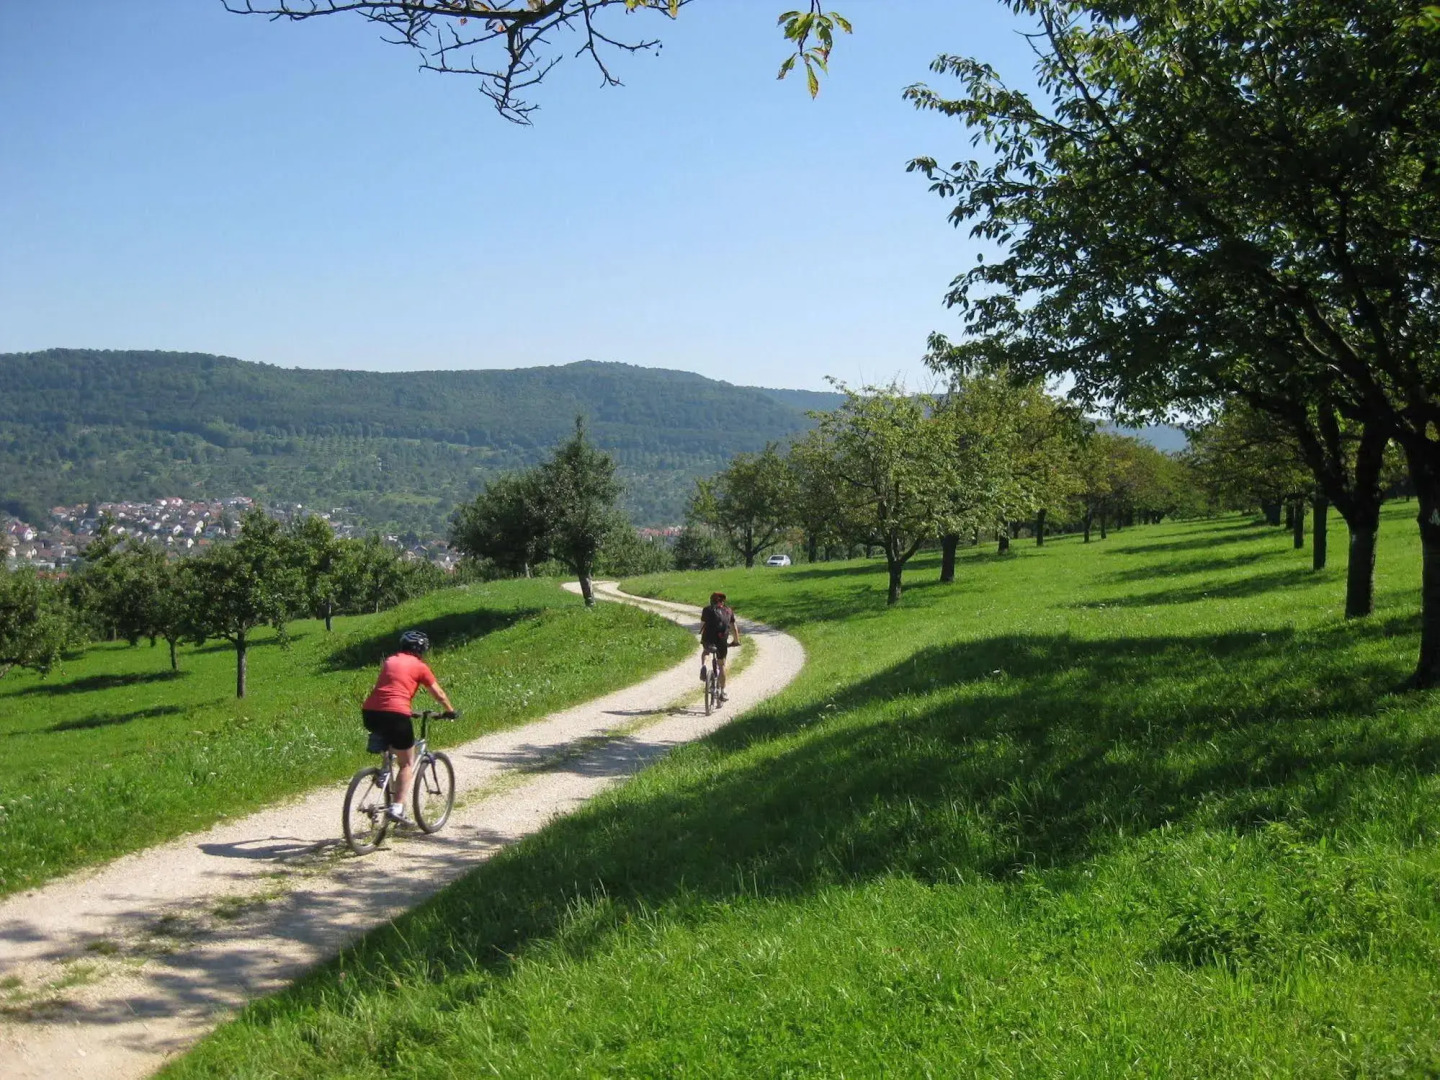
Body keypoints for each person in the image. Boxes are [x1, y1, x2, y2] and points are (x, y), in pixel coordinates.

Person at [361, 629, 456, 823]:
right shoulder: (420, 667)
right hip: (397, 713)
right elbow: (438, 693)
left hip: (370, 712)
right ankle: (397, 807)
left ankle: (384, 771)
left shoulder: (390, 660)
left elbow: (390, 689)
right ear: (422, 649)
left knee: (389, 741)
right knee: (406, 763)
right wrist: (449, 710)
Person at [698, 591, 741, 702]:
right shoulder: (728, 611)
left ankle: (703, 666)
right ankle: (723, 692)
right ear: (723, 601)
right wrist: (736, 641)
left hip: (708, 638)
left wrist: (703, 637)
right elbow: (734, 628)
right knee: (721, 664)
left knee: (706, 652)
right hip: (721, 640)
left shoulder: (707, 610)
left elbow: (702, 625)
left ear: (711, 601)